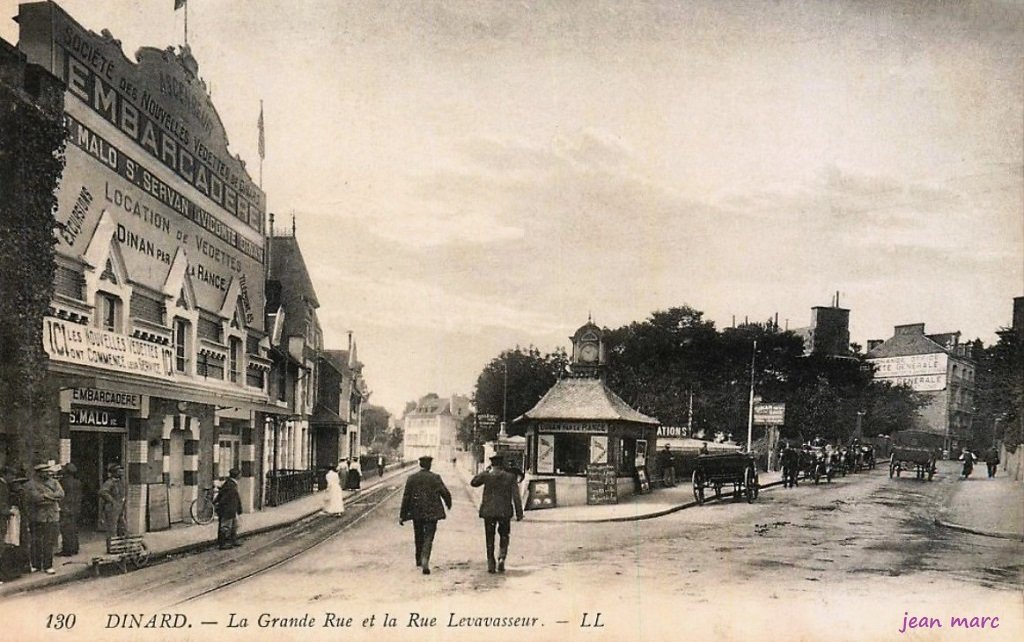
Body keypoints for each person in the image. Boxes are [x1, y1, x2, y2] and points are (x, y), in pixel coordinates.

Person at [470, 454, 524, 574]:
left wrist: (485, 471)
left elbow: (473, 482)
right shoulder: (510, 477)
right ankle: (501, 557)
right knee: (504, 535)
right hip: (504, 511)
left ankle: (491, 563)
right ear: (502, 464)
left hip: (488, 511)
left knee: (490, 537)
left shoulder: (486, 475)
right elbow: (516, 496)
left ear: (492, 464)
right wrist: (519, 513)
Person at [399, 456, 452, 575]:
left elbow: (406, 497)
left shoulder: (412, 478)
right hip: (432, 513)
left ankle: (418, 559)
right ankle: (425, 559)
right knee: (429, 537)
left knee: (418, 535)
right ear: (430, 465)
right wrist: (448, 504)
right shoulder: (435, 478)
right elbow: (445, 492)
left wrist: (402, 515)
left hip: (417, 513)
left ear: (420, 464)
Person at [23, 463, 64, 575]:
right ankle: (36, 565)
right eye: (44, 472)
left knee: (48, 542)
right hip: (37, 516)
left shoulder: (54, 482)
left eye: (48, 471)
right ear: (38, 473)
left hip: (51, 516)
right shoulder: (30, 484)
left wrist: (46, 496)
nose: (47, 473)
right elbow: (36, 498)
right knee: (36, 541)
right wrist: (52, 497)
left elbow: (61, 494)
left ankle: (48, 565)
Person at [214, 468, 243, 549]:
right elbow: (225, 498)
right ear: (237, 476)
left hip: (232, 509)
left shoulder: (230, 484)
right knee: (226, 527)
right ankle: (222, 544)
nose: (240, 476)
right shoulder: (230, 485)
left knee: (235, 525)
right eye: (239, 474)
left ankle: (233, 540)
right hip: (228, 510)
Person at [57, 463, 82, 556]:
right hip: (75, 508)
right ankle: (75, 548)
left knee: (65, 529)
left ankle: (67, 549)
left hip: (66, 508)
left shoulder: (63, 482)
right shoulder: (77, 482)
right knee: (74, 528)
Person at [98, 463, 127, 541]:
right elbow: (102, 492)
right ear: (114, 473)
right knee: (112, 529)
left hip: (120, 507)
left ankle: (120, 545)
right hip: (112, 508)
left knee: (122, 527)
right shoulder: (110, 482)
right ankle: (111, 546)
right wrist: (111, 501)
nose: (121, 473)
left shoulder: (120, 482)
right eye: (119, 471)